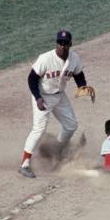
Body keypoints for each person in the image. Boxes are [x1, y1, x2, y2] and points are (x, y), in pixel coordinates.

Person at [19, 30, 92, 178]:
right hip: (43, 96)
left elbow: (79, 75)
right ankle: (25, 164)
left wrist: (82, 86)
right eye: (60, 43)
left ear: (70, 44)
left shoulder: (74, 59)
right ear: (56, 43)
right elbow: (31, 79)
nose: (62, 46)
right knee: (38, 129)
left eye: (65, 43)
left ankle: (57, 149)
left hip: (60, 96)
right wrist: (38, 97)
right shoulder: (45, 59)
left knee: (71, 125)